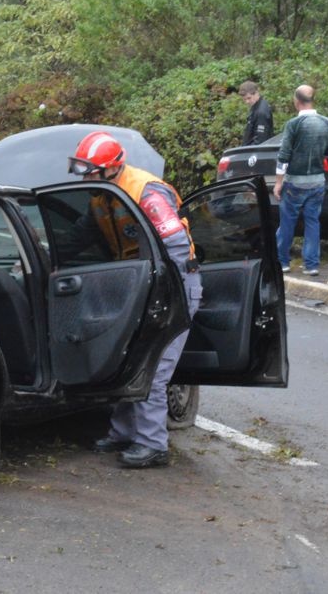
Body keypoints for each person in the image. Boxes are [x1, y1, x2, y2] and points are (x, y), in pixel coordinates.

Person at [68, 130, 202, 469]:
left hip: (172, 286)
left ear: (112, 167)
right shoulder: (103, 196)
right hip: (139, 286)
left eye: (91, 170)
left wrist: (163, 290)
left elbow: (173, 244)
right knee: (128, 361)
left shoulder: (146, 191)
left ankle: (153, 444)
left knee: (152, 368)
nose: (86, 177)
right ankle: (124, 431)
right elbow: (82, 234)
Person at [274, 85, 328, 276]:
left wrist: (278, 183)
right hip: (318, 182)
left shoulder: (293, 125)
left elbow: (283, 155)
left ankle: (282, 262)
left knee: (287, 222)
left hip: (295, 182)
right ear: (312, 100)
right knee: (313, 222)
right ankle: (311, 265)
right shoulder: (326, 123)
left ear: (297, 101)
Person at [239, 80, 273, 146]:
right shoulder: (256, 106)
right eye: (244, 99)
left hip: (257, 152)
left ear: (256, 93)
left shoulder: (261, 112)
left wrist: (245, 152)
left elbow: (260, 140)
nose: (247, 102)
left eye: (249, 98)